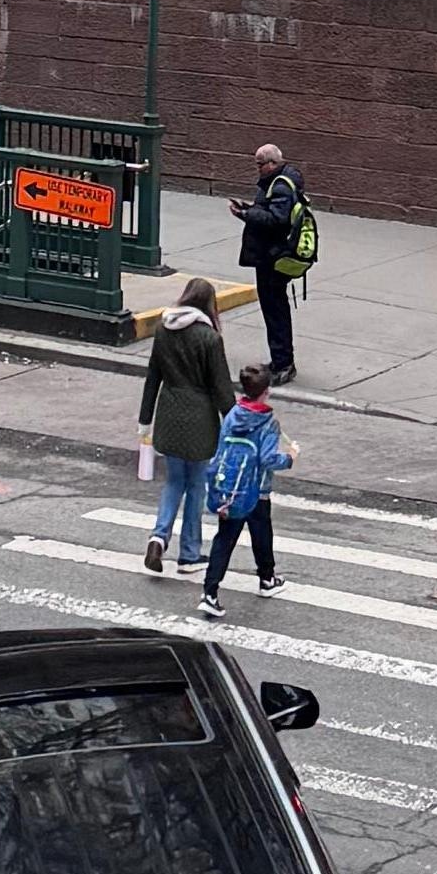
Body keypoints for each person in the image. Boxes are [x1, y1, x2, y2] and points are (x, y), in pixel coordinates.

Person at [139, 276, 235, 576]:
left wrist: (145, 419)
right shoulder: (209, 338)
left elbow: (153, 376)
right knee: (196, 487)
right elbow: (221, 389)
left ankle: (158, 537)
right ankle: (190, 553)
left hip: (168, 413)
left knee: (173, 482)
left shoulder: (163, 330)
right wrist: (234, 422)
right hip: (199, 420)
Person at [202, 365, 293, 603]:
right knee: (262, 533)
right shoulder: (268, 423)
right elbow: (268, 459)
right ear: (266, 391)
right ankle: (266, 579)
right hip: (258, 489)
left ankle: (210, 592)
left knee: (225, 539)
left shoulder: (233, 414)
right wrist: (290, 457)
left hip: (231, 489)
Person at [233, 139, 317, 386]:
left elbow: (276, 219)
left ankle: (284, 364)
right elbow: (270, 212)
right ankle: (280, 360)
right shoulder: (280, 181)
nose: (257, 169)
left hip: (274, 256)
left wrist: (246, 214)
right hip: (272, 255)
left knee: (275, 311)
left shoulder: (280, 185)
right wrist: (248, 210)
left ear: (272, 163)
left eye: (260, 164)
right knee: (274, 310)